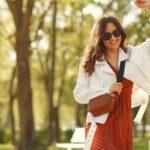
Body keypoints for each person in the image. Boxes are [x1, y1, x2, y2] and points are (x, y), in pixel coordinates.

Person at [73, 1, 150, 150]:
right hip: (100, 125)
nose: (113, 38)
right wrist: (106, 90)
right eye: (107, 35)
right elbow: (78, 94)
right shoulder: (90, 63)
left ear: (121, 33)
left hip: (123, 126)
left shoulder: (131, 56)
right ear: (100, 38)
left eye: (116, 33)